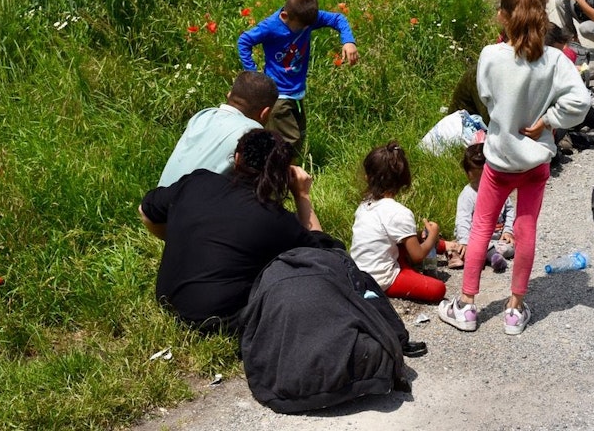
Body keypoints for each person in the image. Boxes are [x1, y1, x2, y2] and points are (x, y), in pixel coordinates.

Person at [438, 0, 590, 336]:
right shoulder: (554, 60)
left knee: (480, 229)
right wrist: (549, 120)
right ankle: (514, 309)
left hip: (500, 161)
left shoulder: (491, 56)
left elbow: (489, 99)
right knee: (526, 229)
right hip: (535, 162)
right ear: (542, 18)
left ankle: (467, 305)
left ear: (504, 17)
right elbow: (580, 103)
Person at [138, 129, 326, 335]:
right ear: (283, 175)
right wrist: (302, 196)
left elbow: (145, 211)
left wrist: (179, 239)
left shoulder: (197, 181)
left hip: (167, 300)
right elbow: (326, 259)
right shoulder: (277, 220)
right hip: (221, 322)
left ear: (237, 158)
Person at [237, 0, 359, 156]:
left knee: (299, 136)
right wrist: (254, 74)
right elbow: (244, 41)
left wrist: (348, 41)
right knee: (289, 141)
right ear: (286, 16)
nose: (306, 29)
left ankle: (285, 170)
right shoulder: (271, 27)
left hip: (297, 92)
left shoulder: (305, 19)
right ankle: (284, 176)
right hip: (278, 94)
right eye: (302, 27)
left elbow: (338, 18)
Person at [350, 141, 447, 304]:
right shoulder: (399, 212)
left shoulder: (363, 206)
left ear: (368, 178)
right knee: (438, 289)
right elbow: (417, 256)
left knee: (405, 239)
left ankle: (445, 246)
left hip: (358, 274)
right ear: (404, 179)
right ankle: (435, 250)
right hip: (382, 280)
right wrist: (433, 235)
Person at [158, 71, 278, 187]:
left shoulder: (203, 115)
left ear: (229, 95)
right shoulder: (252, 132)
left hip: (155, 202)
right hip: (195, 205)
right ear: (265, 113)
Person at [448, 143, 515, 271]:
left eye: (485, 177)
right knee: (474, 247)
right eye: (476, 179)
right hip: (475, 237)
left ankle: (487, 255)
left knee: (511, 247)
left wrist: (508, 231)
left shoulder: (499, 190)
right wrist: (464, 241)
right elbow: (463, 219)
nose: (481, 183)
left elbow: (509, 210)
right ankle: (490, 257)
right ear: (468, 174)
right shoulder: (468, 195)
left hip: (498, 238)